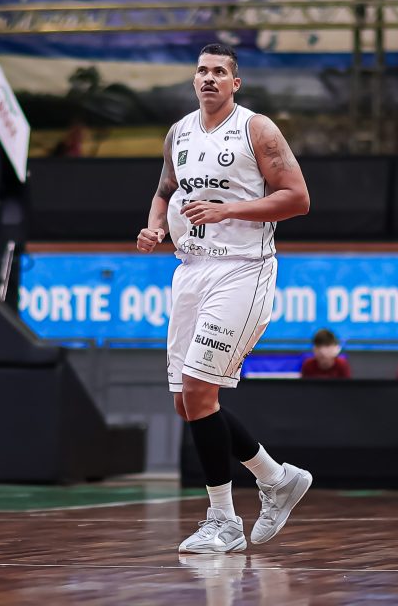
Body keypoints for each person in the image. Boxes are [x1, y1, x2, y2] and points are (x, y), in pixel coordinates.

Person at [136, 42, 313, 554]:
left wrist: (227, 210)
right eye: (202, 70)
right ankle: (277, 478)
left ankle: (224, 521)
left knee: (198, 391)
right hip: (190, 269)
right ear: (193, 80)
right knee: (186, 402)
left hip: (242, 270)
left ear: (235, 83)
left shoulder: (257, 129)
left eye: (219, 71)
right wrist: (154, 228)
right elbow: (165, 192)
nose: (209, 78)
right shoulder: (179, 133)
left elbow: (298, 199)